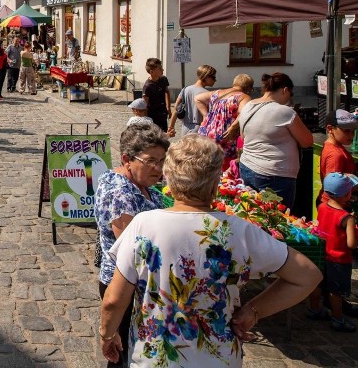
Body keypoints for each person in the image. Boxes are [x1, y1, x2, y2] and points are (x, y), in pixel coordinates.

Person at [100, 134, 322, 367]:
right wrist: (253, 311)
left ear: (169, 178)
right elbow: (308, 275)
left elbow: (114, 300)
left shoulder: (143, 225)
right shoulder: (239, 230)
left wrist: (107, 334)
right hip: (218, 358)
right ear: (216, 182)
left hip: (155, 358)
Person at [94, 123, 169, 368]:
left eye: (161, 160)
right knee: (123, 355)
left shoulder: (136, 182)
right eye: (151, 161)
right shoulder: (121, 193)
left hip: (134, 283)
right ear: (127, 159)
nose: (158, 168)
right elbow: (132, 250)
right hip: (125, 285)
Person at [238, 72, 313, 208]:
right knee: (275, 219)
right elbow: (307, 141)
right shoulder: (285, 112)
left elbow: (244, 136)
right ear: (285, 90)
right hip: (273, 177)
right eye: (290, 94)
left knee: (254, 213)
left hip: (247, 168)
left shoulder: (247, 106)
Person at [307, 172, 358, 332]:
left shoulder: (322, 207)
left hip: (322, 255)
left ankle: (315, 310)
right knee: (336, 292)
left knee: (317, 285)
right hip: (339, 260)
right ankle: (337, 319)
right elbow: (352, 243)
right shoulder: (347, 218)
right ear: (347, 194)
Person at [196, 73, 254, 171]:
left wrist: (206, 116)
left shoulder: (217, 93)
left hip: (207, 132)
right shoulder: (243, 97)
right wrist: (233, 127)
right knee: (224, 168)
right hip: (225, 135)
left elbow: (197, 99)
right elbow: (243, 113)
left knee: (207, 164)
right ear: (248, 88)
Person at [167, 64, 215, 137]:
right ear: (206, 77)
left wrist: (171, 127)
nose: (215, 80)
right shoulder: (207, 94)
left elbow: (176, 109)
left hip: (185, 128)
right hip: (199, 128)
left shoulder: (185, 89)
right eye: (213, 77)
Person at [320, 109, 358, 180]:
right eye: (346, 131)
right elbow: (333, 184)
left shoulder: (331, 146)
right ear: (330, 129)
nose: (351, 135)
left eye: (353, 131)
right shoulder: (335, 154)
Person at [142, 58, 170, 132]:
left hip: (163, 113)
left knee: (164, 133)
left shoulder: (163, 79)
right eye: (160, 69)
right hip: (152, 115)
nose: (162, 70)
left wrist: (168, 107)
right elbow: (145, 104)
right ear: (152, 72)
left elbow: (166, 92)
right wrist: (146, 119)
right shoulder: (147, 86)